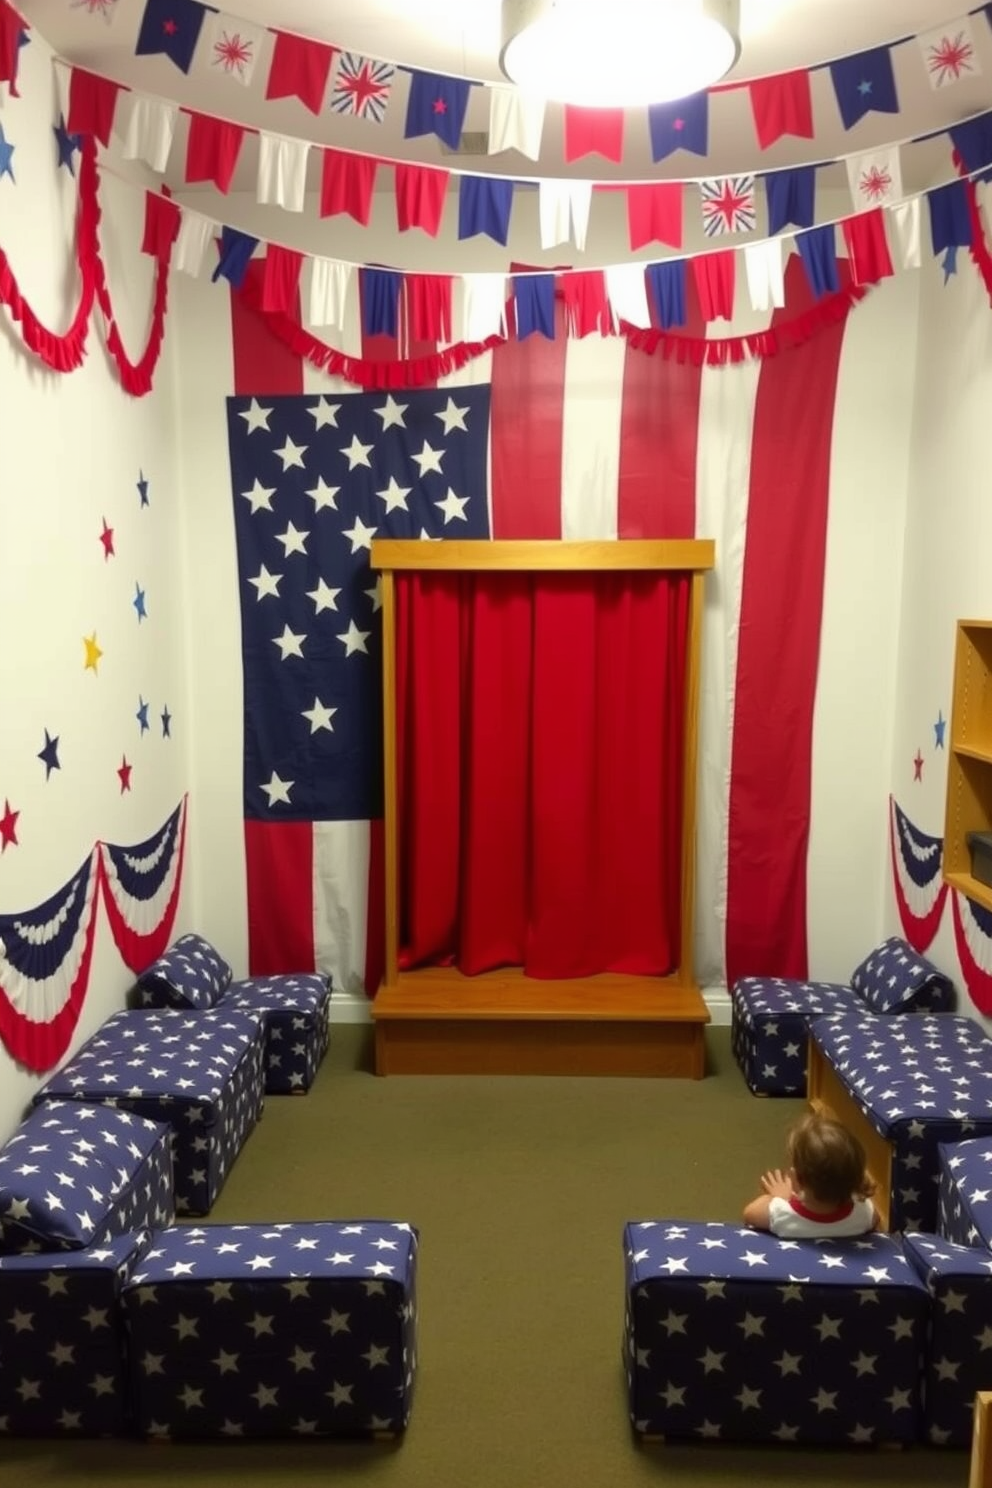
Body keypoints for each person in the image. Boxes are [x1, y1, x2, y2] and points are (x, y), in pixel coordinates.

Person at [742, 1111, 879, 1238]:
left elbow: (749, 1213)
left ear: (797, 1178)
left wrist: (779, 1197)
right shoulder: (864, 1213)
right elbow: (875, 1219)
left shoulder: (781, 1214)